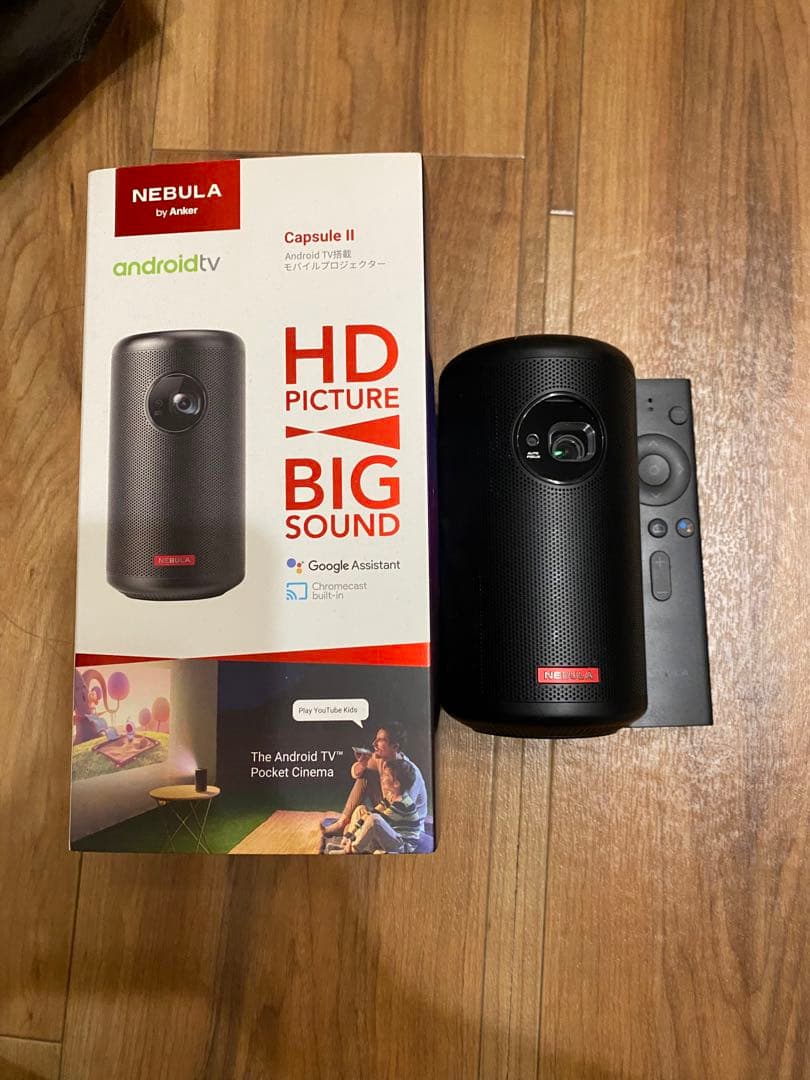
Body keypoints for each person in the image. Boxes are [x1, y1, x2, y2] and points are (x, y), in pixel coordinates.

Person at [321, 722, 427, 840]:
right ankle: (342, 822)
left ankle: (352, 833)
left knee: (357, 828)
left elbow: (402, 813)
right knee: (366, 774)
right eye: (376, 739)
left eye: (381, 740)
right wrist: (362, 764)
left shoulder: (408, 772)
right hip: (386, 811)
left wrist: (366, 823)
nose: (374, 744)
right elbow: (355, 773)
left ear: (395, 747)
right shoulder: (380, 759)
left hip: (403, 827)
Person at [336, 757, 423, 853]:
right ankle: (348, 843)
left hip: (401, 845)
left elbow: (374, 820)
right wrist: (349, 834)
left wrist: (357, 832)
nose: (382, 777)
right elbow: (370, 814)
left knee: (375, 819)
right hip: (390, 836)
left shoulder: (402, 804)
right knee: (360, 809)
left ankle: (353, 849)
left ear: (396, 783)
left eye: (386, 775)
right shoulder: (391, 796)